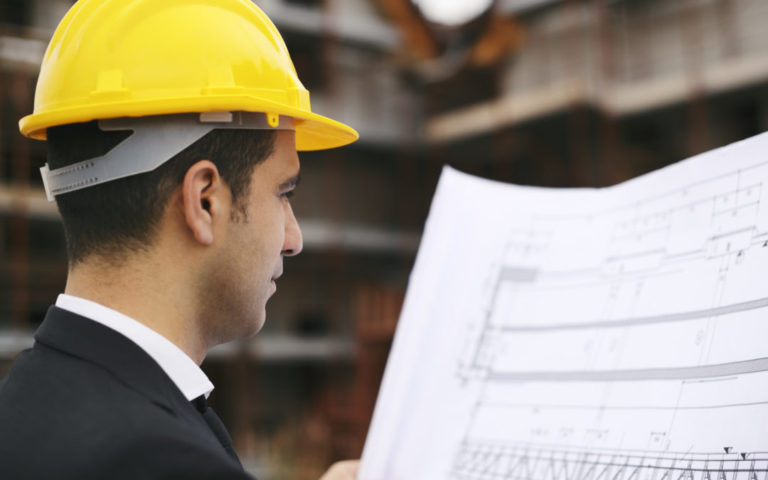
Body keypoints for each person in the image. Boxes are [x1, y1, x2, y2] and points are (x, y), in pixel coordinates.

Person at [0, 0, 360, 479]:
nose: (293, 239)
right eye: (283, 193)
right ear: (204, 200)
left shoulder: (23, 405)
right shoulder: (164, 457)